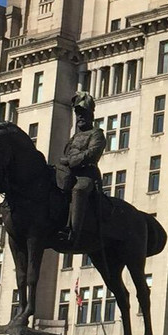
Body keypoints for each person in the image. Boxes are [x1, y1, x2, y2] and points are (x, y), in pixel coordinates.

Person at [56, 92, 106, 245]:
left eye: (83, 113)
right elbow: (65, 155)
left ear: (91, 114)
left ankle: (74, 233)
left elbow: (92, 153)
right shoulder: (74, 138)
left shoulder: (97, 134)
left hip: (87, 174)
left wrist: (72, 160)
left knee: (79, 190)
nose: (80, 117)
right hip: (69, 172)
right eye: (78, 113)